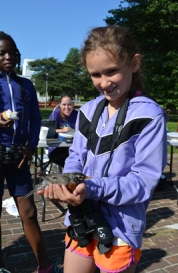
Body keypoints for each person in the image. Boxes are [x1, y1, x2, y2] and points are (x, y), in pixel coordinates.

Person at [38, 25, 168, 273]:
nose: (104, 82)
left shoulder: (149, 115)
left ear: (134, 63)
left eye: (112, 71)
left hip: (121, 225)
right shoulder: (86, 111)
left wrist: (91, 188)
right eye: (95, 74)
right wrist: (68, 184)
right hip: (80, 216)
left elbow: (143, 182)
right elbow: (76, 157)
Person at [0, 31, 62, 273]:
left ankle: (44, 266)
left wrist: (31, 145)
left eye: (12, 52)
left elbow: (36, 118)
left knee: (29, 212)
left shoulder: (25, 85)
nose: (8, 57)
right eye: (2, 53)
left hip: (19, 158)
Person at [48, 95, 78, 168]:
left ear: (73, 105)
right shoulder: (56, 113)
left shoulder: (77, 114)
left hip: (72, 147)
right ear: (60, 105)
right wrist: (62, 130)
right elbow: (48, 129)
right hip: (57, 148)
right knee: (69, 164)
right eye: (64, 104)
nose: (67, 107)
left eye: (69, 104)